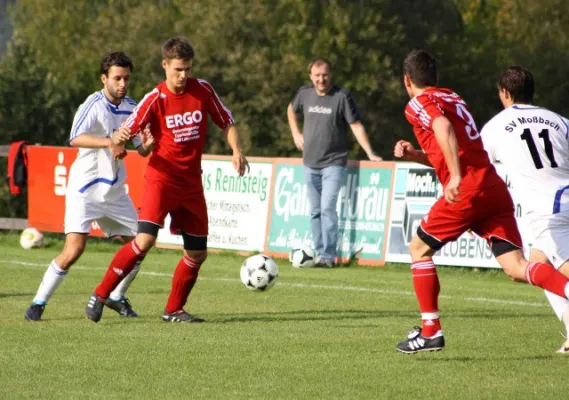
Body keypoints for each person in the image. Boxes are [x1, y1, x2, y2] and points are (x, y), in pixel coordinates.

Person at [392, 49, 569, 353]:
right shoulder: (453, 97)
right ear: (437, 77)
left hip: (469, 190)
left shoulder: (418, 103)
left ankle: (431, 330)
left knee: (418, 249)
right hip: (493, 189)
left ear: (407, 80)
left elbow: (444, 130)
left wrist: (457, 178)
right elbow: (457, 148)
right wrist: (417, 156)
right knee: (516, 267)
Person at [84, 36, 249, 323]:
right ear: (165, 65)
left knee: (197, 253)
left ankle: (173, 310)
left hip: (192, 184)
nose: (183, 76)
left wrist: (236, 149)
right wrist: (119, 139)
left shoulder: (203, 90)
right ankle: (99, 295)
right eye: (177, 70)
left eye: (187, 69)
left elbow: (227, 121)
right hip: (162, 180)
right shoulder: (154, 98)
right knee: (144, 241)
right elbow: (129, 128)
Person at [24, 52, 154, 321]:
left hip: (115, 190)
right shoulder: (92, 104)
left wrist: (148, 144)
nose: (122, 83)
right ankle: (38, 303)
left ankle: (116, 296)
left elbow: (141, 149)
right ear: (104, 78)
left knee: (141, 244)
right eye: (117, 78)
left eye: (126, 78)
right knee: (74, 250)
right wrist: (109, 141)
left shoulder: (134, 107)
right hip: (85, 188)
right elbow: (75, 138)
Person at [481, 66, 569, 353]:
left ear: (505, 93)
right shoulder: (560, 121)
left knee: (561, 269)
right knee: (539, 266)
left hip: (548, 211)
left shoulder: (495, 127)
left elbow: (470, 164)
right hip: (564, 197)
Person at [287, 57, 382, 268]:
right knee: (315, 211)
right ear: (311, 76)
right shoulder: (304, 93)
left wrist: (369, 152)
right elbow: (291, 110)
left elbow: (356, 125)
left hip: (334, 162)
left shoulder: (342, 96)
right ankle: (319, 253)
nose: (321, 80)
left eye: (325, 75)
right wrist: (296, 133)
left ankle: (328, 257)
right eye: (317, 76)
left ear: (331, 75)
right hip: (309, 162)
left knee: (327, 208)